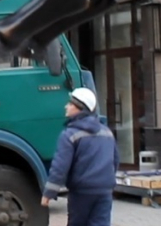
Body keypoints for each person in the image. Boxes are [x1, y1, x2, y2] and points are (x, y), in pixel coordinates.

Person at [41, 87, 119, 226]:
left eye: (70, 104)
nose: (66, 106)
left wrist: (49, 193)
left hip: (82, 192)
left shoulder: (70, 135)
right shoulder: (107, 132)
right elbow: (115, 160)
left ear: (80, 108)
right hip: (105, 190)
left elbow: (60, 167)